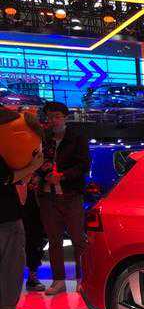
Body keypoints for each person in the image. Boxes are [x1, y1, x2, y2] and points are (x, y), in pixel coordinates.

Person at [38, 101, 90, 295]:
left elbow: (83, 165)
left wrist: (63, 176)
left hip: (71, 195)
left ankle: (82, 279)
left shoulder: (76, 138)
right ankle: (58, 281)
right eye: (50, 117)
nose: (53, 121)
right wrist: (42, 173)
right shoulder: (44, 139)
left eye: (57, 117)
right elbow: (35, 162)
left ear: (65, 118)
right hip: (48, 196)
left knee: (78, 239)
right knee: (54, 240)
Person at [0, 108, 44, 309]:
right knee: (11, 263)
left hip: (7, 213)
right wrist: (33, 166)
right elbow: (6, 178)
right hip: (6, 215)